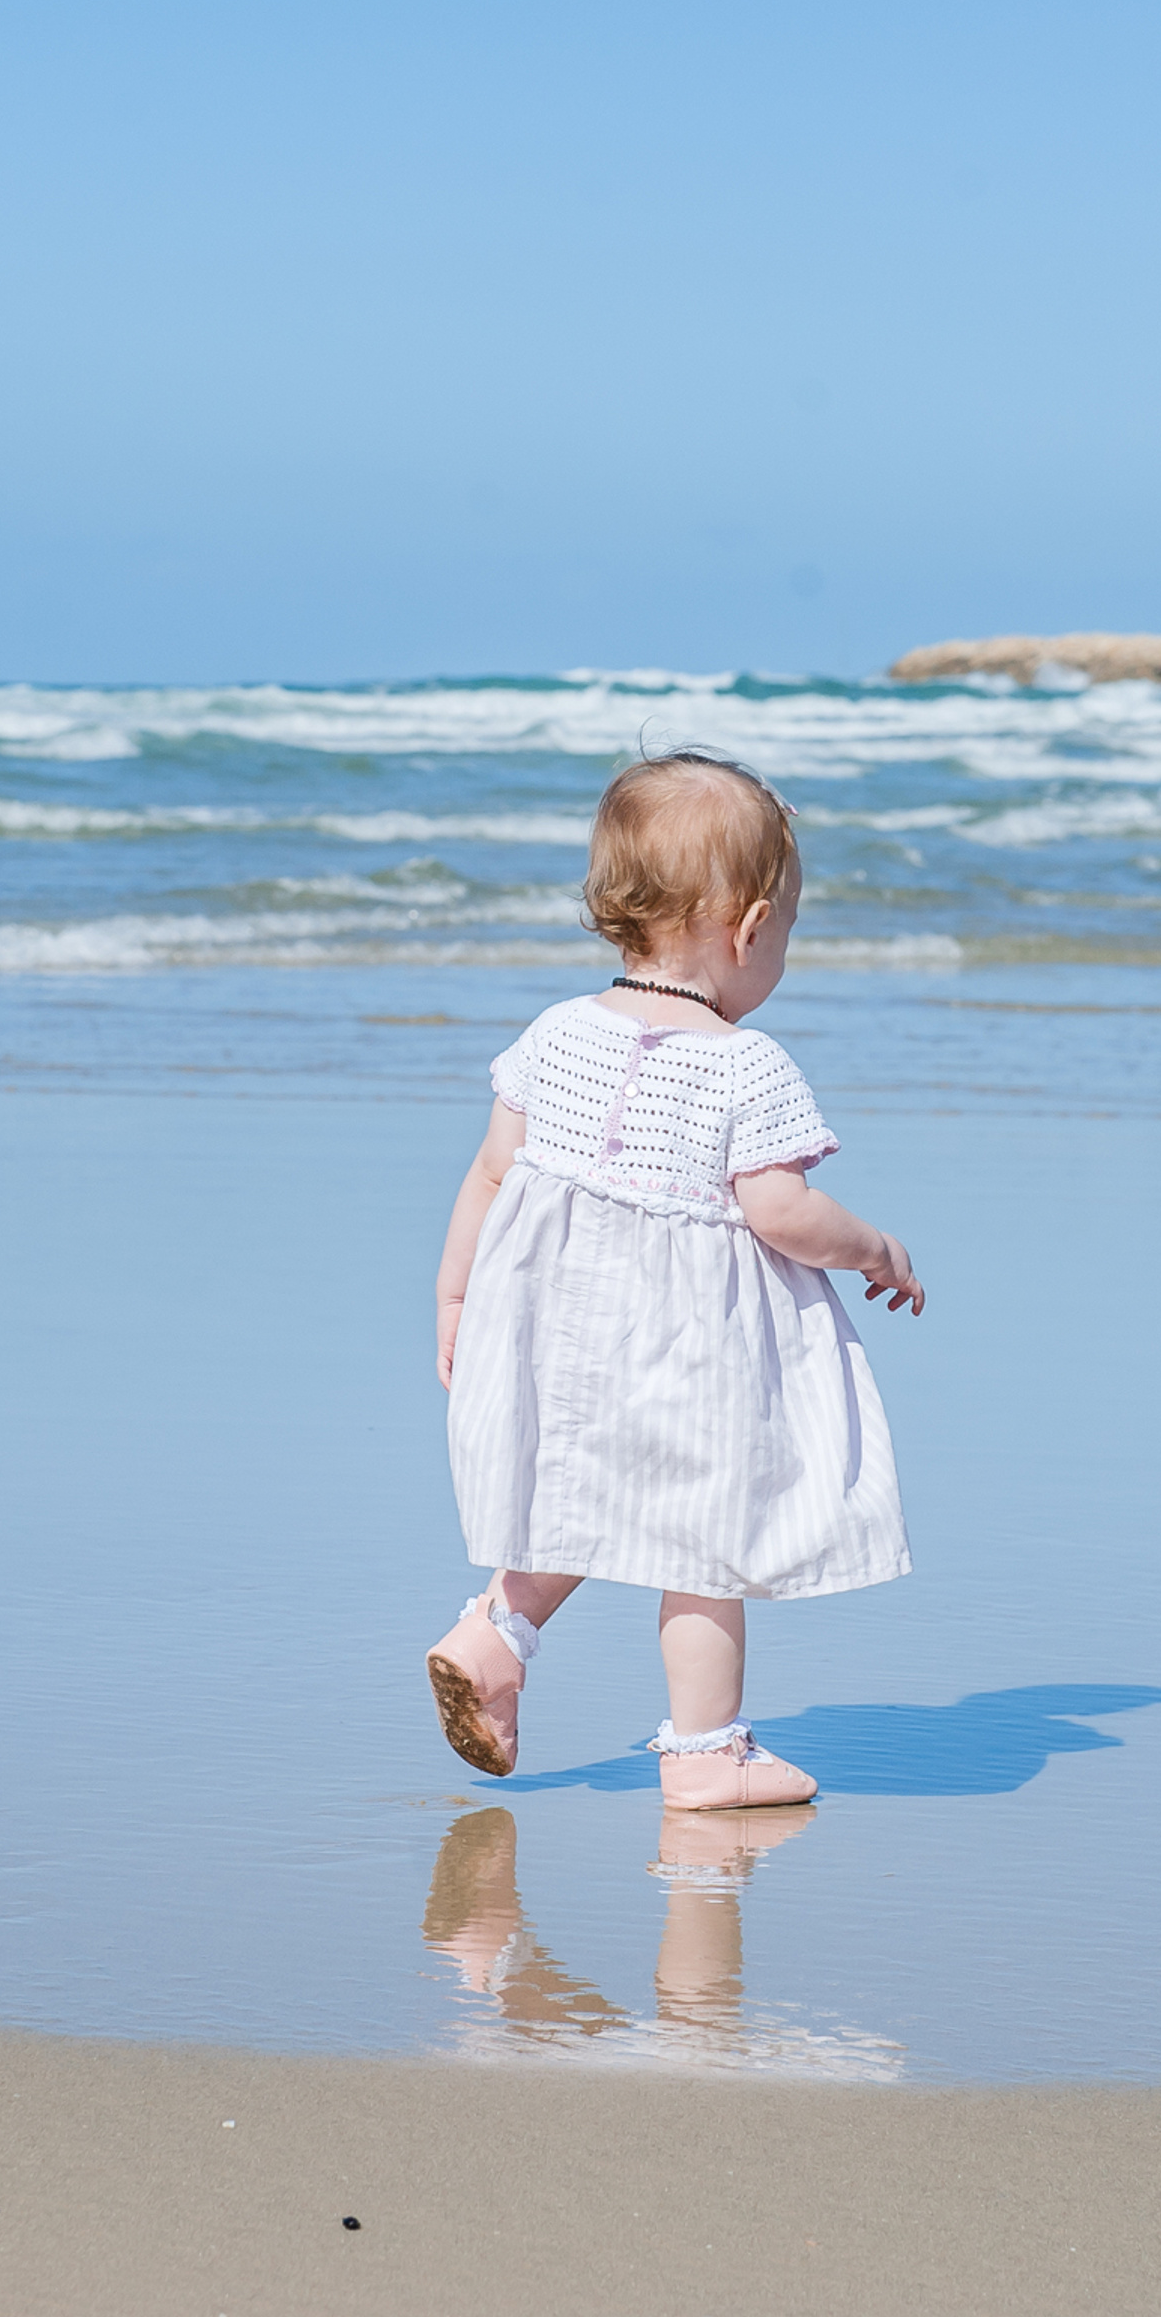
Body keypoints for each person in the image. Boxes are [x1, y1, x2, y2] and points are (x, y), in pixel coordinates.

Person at [425, 749, 921, 1811]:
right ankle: (703, 1754)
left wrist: (457, 1295)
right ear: (746, 929)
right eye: (783, 932)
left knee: (581, 1499)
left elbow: (491, 1169)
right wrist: (875, 1246)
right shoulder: (747, 1064)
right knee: (706, 1544)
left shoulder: (556, 1032)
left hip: (555, 1326)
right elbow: (780, 1211)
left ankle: (492, 1635)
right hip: (689, 1350)